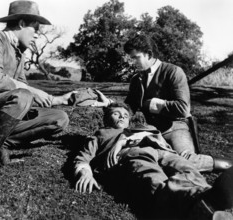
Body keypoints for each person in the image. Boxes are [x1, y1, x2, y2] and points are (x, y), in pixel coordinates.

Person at [0, 0, 75, 183]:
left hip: (0, 111)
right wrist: (31, 91)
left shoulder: (19, 52)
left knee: (59, 118)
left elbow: (22, 87)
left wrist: (58, 99)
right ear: (21, 24)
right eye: (35, 29)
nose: (37, 36)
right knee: (23, 95)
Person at [92, 34, 232, 173]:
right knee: (148, 158)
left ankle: (229, 165)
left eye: (136, 57)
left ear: (149, 54)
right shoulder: (136, 79)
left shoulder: (173, 72)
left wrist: (153, 104)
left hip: (176, 127)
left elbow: (183, 109)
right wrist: (110, 104)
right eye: (131, 58)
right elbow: (130, 107)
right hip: (150, 130)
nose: (132, 62)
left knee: (187, 161)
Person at [74, 102, 233, 220]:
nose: (122, 115)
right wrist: (85, 174)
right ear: (106, 119)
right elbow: (83, 158)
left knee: (185, 167)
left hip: (162, 150)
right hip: (130, 153)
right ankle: (191, 203)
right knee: (150, 173)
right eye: (116, 113)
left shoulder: (144, 127)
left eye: (125, 114)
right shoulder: (101, 134)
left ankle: (208, 197)